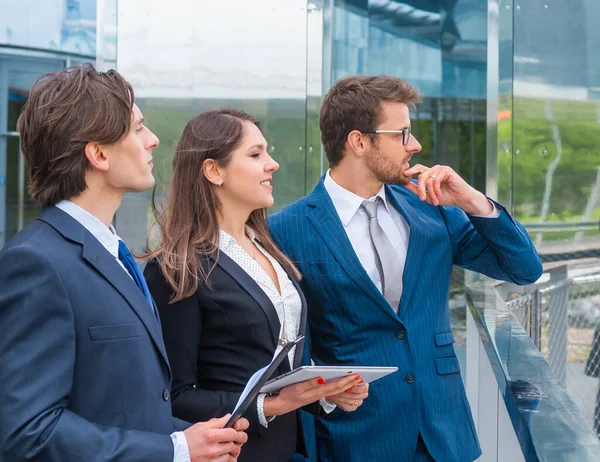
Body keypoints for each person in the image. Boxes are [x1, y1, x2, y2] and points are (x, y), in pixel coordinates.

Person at [268, 75, 544, 462]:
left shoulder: (431, 209)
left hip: (444, 434)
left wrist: (472, 200)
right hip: (357, 439)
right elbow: (290, 349)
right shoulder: (286, 229)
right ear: (359, 142)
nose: (415, 146)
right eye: (402, 134)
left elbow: (524, 269)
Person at [0, 64, 248, 462]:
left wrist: (193, 437)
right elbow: (30, 432)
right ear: (98, 154)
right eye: (137, 128)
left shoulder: (116, 254)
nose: (152, 140)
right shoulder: (35, 264)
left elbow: (119, 404)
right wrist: (174, 450)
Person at [143, 109, 368, 462]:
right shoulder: (177, 267)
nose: (273, 164)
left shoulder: (270, 249)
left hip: (287, 451)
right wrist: (274, 404)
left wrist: (324, 392)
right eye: (256, 154)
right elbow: (175, 395)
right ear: (213, 170)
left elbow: (280, 367)